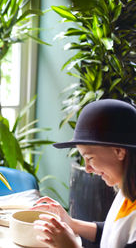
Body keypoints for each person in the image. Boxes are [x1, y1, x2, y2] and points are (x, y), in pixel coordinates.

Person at [31, 99, 136, 248]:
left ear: (119, 151)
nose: (87, 168)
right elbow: (112, 232)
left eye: (90, 158)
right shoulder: (127, 193)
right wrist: (71, 223)